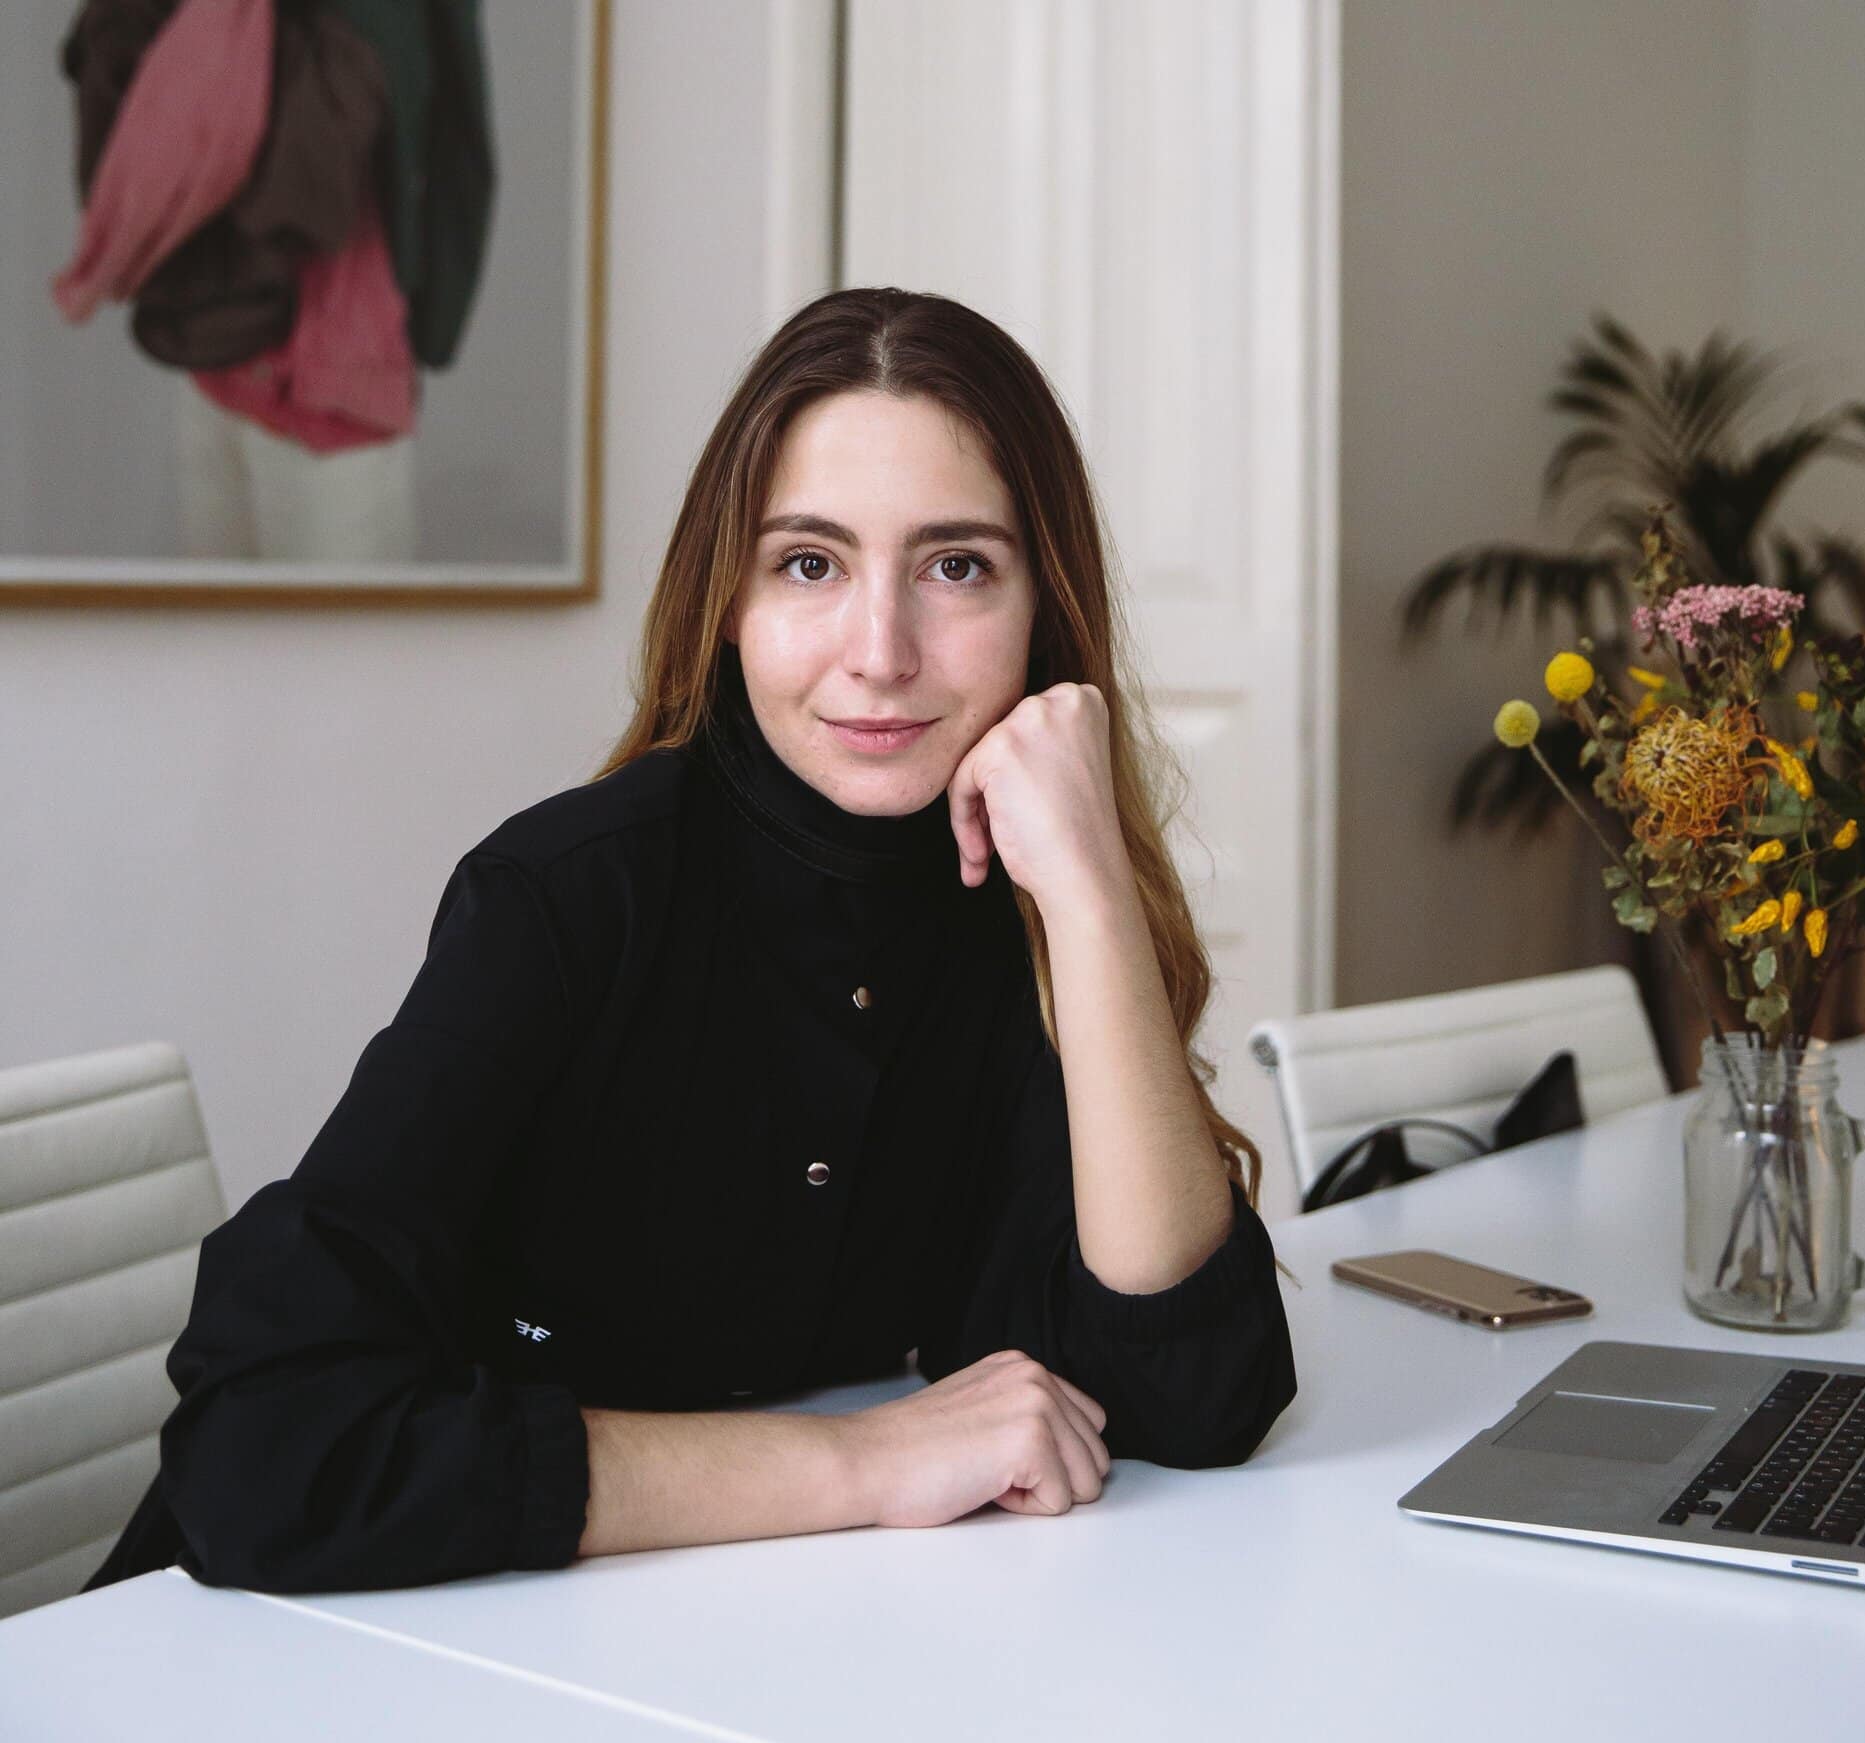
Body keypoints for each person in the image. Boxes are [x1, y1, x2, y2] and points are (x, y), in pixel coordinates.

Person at [86, 287, 1298, 1596]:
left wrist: (1096, 899)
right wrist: (857, 1467)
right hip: (334, 1664)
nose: (882, 653)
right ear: (729, 602)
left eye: (956, 567)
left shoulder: (1012, 904)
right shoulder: (565, 896)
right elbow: (267, 1447)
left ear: (1041, 611)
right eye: (810, 564)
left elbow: (1186, 1398)